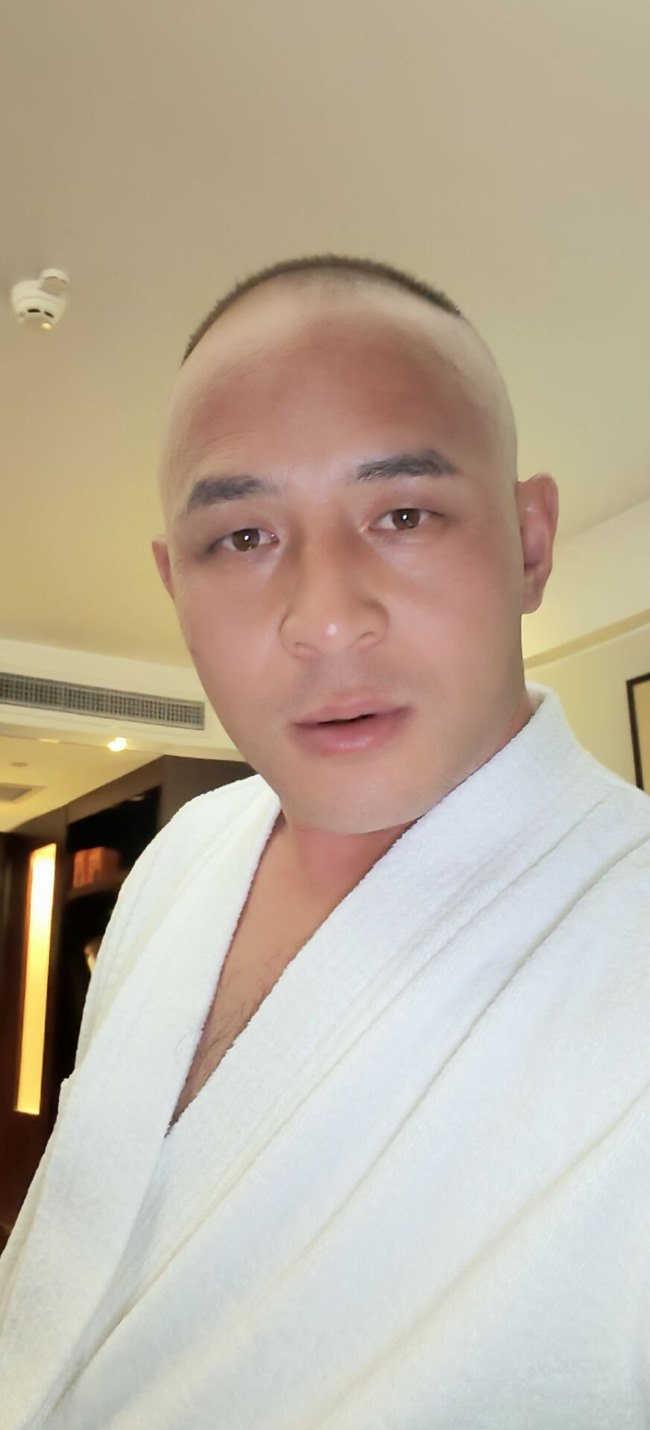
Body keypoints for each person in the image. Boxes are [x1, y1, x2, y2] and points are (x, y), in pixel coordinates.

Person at [1, 255, 649, 1429]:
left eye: (402, 514)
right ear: (174, 584)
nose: (325, 618)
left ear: (527, 542)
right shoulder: (186, 852)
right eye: (242, 536)